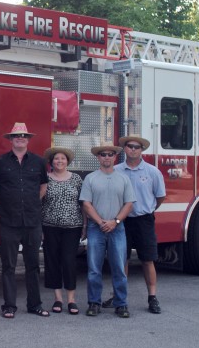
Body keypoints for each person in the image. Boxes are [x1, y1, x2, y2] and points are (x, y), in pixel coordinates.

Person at [100, 135, 166, 314]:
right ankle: (119, 297)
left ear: (142, 150)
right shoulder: (117, 170)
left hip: (144, 219)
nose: (133, 149)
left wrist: (148, 209)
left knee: (147, 259)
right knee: (121, 259)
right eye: (130, 146)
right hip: (122, 220)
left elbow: (159, 197)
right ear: (125, 149)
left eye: (137, 147)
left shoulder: (152, 172)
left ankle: (152, 297)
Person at [0, 122, 50, 318]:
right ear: (10, 139)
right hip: (9, 222)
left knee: (33, 265)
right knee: (8, 266)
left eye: (24, 135)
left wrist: (32, 202)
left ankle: (35, 304)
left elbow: (43, 186)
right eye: (17, 136)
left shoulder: (39, 162)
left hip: (32, 221)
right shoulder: (0, 162)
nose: (20, 138)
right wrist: (7, 204)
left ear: (28, 139)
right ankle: (9, 305)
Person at [80, 142, 135, 318]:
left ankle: (121, 304)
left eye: (110, 154)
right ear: (98, 157)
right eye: (103, 154)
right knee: (94, 268)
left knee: (119, 267)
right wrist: (101, 221)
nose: (106, 157)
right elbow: (86, 204)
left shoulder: (124, 179)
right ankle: (94, 303)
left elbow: (129, 204)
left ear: (114, 157)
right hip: (96, 228)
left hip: (117, 229)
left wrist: (115, 221)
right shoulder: (90, 178)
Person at [41, 146, 84, 316]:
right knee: (52, 262)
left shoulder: (76, 179)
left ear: (68, 161)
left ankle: (71, 300)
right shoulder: (45, 179)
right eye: (56, 159)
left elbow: (83, 204)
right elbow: (40, 204)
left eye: (63, 159)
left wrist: (85, 226)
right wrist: (40, 228)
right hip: (49, 226)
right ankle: (57, 298)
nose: (59, 161)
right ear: (51, 162)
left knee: (68, 261)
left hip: (72, 227)